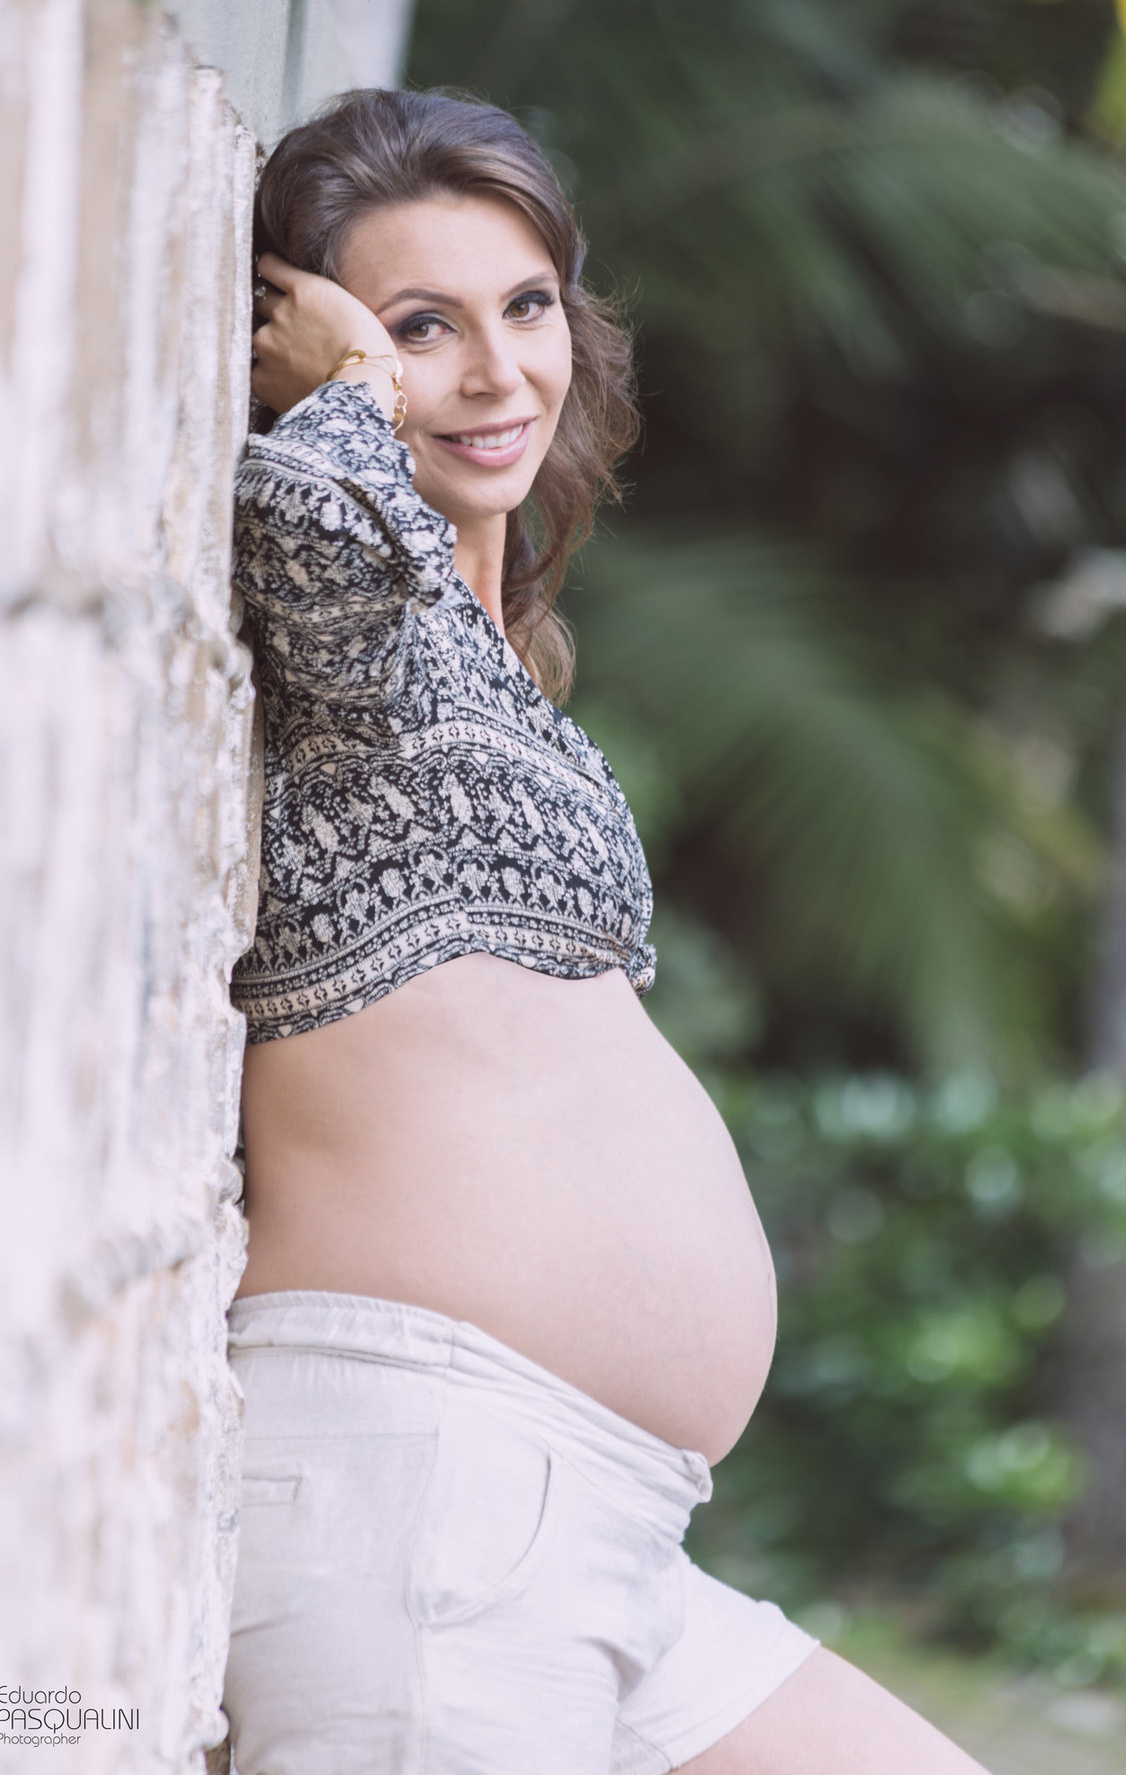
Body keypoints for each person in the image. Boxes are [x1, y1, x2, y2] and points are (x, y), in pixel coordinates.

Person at [220, 86, 990, 1775]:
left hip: (605, 1524)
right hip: (424, 1483)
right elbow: (295, 529)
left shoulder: (497, 665)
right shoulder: (357, 622)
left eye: (527, 307)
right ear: (310, 348)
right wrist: (342, 383)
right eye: (423, 325)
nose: (497, 374)